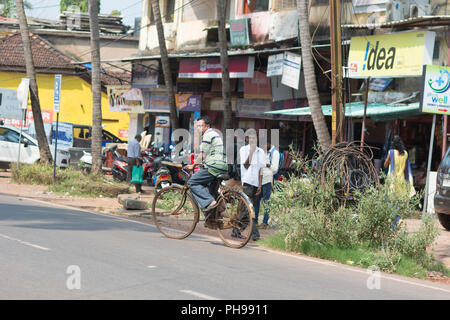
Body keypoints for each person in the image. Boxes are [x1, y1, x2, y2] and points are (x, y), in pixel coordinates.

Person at [186, 116, 228, 219]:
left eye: (200, 126)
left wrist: (193, 165)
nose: (199, 128)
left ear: (207, 126)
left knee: (192, 182)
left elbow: (202, 155)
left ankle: (210, 202)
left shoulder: (208, 134)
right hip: (222, 166)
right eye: (197, 126)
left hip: (213, 166)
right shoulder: (215, 134)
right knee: (211, 188)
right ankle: (214, 216)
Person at [240, 131, 266, 241]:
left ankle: (236, 229)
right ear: (246, 140)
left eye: (254, 138)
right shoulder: (244, 150)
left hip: (256, 183)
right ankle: (255, 234)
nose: (252, 140)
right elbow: (246, 166)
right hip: (247, 182)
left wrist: (260, 184)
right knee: (249, 209)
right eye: (250, 138)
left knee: (248, 208)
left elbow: (261, 169)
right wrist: (251, 152)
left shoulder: (261, 152)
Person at [254, 138, 280, 229]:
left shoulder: (275, 153)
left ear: (269, 143)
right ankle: (255, 221)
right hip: (260, 180)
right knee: (256, 201)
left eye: (264, 145)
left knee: (266, 202)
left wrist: (267, 164)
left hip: (268, 180)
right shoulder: (263, 152)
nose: (262, 147)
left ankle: (265, 223)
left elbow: (275, 169)